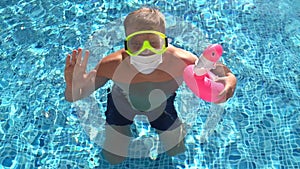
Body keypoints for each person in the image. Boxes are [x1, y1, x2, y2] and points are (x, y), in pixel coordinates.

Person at [64, 7, 237, 165]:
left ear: (165, 41)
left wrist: (229, 83)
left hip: (162, 106)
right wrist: (72, 84)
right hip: (121, 105)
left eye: (153, 43)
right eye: (136, 45)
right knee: (113, 158)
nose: (145, 51)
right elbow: (75, 96)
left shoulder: (182, 60)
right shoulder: (113, 65)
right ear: (126, 44)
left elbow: (225, 74)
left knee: (176, 150)